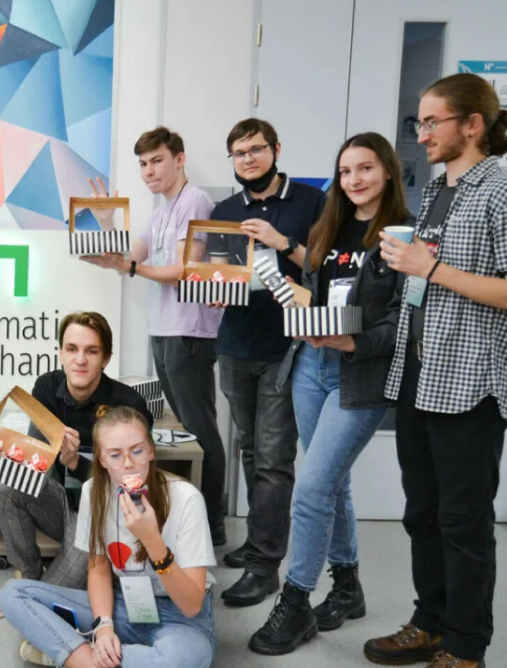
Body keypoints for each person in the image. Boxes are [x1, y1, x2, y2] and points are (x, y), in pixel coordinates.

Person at [364, 73, 507, 668]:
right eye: (418, 122)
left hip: (471, 384)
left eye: (431, 122)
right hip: (420, 375)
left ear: (472, 124)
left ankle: (467, 646)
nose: (420, 134)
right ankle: (430, 622)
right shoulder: (436, 193)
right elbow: (428, 277)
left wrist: (431, 269)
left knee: (463, 522)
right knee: (422, 513)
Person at [248, 132, 409, 655]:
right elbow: (316, 296)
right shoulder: (328, 228)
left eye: (365, 168)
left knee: (313, 487)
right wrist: (288, 298)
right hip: (309, 366)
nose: (354, 179)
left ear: (388, 171)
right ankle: (347, 586)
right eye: (345, 171)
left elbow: (402, 322)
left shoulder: (403, 237)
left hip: (358, 376)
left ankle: (295, 601)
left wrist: (354, 341)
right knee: (333, 484)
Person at [82, 126, 228, 547]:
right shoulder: (162, 210)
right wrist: (107, 225)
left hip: (189, 331)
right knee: (183, 428)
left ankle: (212, 526)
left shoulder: (195, 201)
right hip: (164, 328)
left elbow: (182, 270)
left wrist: (129, 268)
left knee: (199, 431)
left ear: (179, 160)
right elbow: (133, 257)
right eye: (143, 164)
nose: (149, 170)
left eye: (157, 161)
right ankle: (187, 519)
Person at [208, 118, 325, 607]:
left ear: (276, 149)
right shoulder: (224, 210)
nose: (248, 159)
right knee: (252, 452)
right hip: (235, 346)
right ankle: (260, 541)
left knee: (275, 461)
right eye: (239, 153)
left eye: (256, 149)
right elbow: (215, 273)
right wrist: (211, 288)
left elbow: (327, 267)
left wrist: (283, 243)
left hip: (287, 349)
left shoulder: (311, 202)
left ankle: (263, 566)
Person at [1, 406, 216, 668]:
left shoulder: (186, 498)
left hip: (179, 616)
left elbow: (192, 605)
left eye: (137, 451)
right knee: (14, 594)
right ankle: (97, 657)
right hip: (125, 605)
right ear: (102, 460)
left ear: (151, 451)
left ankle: (74, 657)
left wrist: (152, 541)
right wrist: (103, 627)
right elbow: (99, 571)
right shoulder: (94, 491)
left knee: (185, 658)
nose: (128, 463)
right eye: (115, 455)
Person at [0, 312, 154, 620]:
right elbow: (32, 467)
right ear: (61, 352)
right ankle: (27, 576)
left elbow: (132, 485)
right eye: (72, 349)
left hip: (104, 518)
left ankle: (32, 595)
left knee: (42, 602)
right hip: (64, 505)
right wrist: (9, 450)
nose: (80, 360)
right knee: (6, 489)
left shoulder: (129, 405)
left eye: (91, 351)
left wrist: (75, 462)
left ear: (106, 358)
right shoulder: (46, 387)